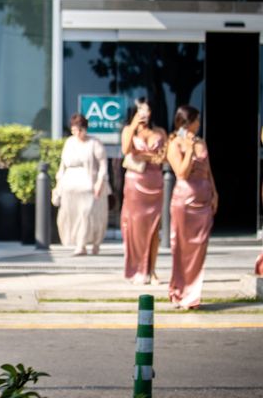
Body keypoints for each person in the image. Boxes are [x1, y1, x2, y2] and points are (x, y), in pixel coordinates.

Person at [167, 105, 217, 310]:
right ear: (188, 122)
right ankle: (180, 291)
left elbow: (208, 170)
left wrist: (215, 192)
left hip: (204, 201)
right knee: (181, 248)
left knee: (200, 248)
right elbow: (181, 172)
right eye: (196, 120)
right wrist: (188, 150)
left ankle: (193, 294)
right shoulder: (175, 144)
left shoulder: (201, 141)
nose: (199, 123)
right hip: (184, 202)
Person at [120, 98, 167, 285]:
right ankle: (136, 268)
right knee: (134, 227)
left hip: (155, 183)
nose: (144, 115)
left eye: (147, 111)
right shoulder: (128, 131)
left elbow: (163, 157)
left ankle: (152, 270)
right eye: (141, 111)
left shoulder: (160, 132)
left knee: (154, 228)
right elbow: (126, 149)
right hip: (134, 183)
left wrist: (142, 155)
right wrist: (133, 126)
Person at [54, 113, 109, 256]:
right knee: (72, 215)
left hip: (88, 186)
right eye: (74, 130)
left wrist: (99, 182)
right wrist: (58, 184)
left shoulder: (94, 143)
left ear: (84, 129)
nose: (76, 133)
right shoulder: (69, 143)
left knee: (87, 214)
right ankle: (79, 244)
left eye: (79, 130)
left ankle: (83, 244)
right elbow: (62, 166)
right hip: (70, 186)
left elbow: (103, 164)